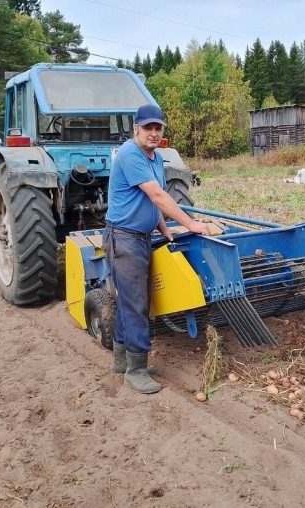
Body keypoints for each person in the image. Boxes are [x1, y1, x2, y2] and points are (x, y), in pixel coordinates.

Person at [105, 103, 211, 394]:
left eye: (158, 127)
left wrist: (165, 230)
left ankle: (121, 361)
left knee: (133, 302)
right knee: (136, 305)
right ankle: (135, 370)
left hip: (140, 237)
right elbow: (157, 195)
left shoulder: (155, 157)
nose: (153, 133)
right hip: (124, 238)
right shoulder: (130, 154)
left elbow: (153, 203)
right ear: (135, 128)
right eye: (148, 127)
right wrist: (190, 224)